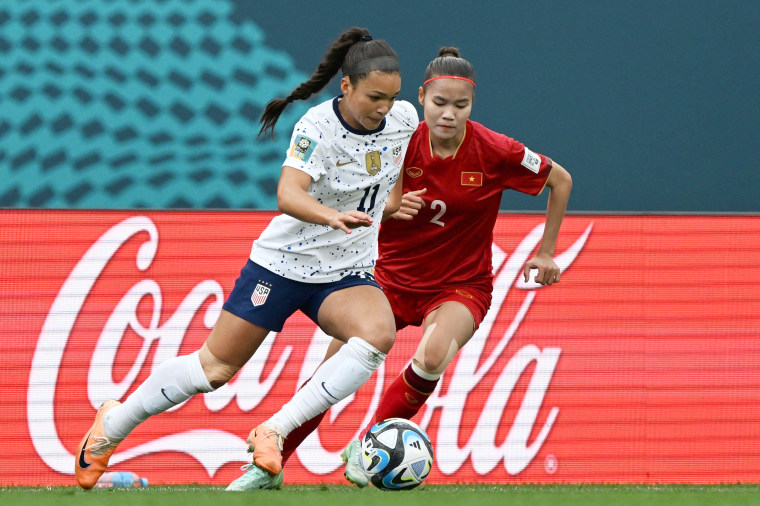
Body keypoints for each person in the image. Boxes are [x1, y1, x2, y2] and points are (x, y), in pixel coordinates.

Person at [74, 26, 418, 490]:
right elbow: (287, 193)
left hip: (345, 269)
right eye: (375, 96)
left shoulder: (403, 118)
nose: (384, 107)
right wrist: (331, 215)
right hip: (284, 262)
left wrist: (389, 205)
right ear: (346, 85)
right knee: (213, 370)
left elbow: (392, 167)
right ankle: (109, 429)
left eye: (392, 97)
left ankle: (273, 430)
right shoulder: (317, 127)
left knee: (378, 334)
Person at [228, 45, 573, 490]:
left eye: (460, 105)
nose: (448, 114)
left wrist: (546, 252)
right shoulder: (394, 139)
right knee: (331, 377)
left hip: (459, 284)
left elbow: (559, 180)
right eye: (439, 103)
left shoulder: (495, 150)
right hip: (383, 277)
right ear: (421, 99)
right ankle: (269, 466)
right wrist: (391, 209)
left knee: (432, 356)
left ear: (472, 105)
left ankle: (368, 446)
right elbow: (357, 198)